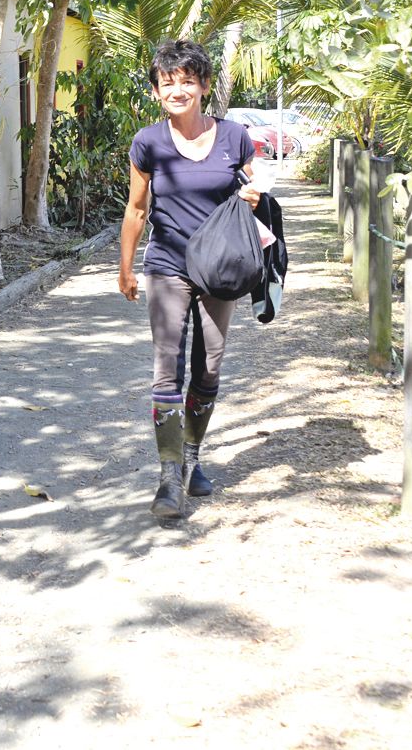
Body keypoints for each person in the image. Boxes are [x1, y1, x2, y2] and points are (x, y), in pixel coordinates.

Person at [117, 40, 260, 519]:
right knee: (166, 364)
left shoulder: (234, 137)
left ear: (202, 86)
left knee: (210, 366)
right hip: (167, 263)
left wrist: (255, 198)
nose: (177, 90)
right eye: (167, 82)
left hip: (221, 265)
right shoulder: (148, 143)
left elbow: (254, 187)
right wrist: (126, 266)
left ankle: (194, 458)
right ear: (157, 91)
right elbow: (137, 209)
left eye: (186, 81)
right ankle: (168, 476)